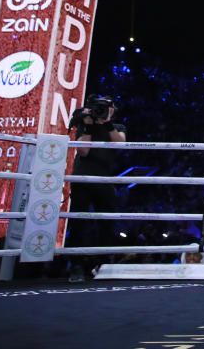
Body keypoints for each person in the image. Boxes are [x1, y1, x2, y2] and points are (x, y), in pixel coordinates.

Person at [67, 95, 127, 282]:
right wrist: (90, 125)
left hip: (104, 178)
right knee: (78, 222)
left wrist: (106, 122)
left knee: (107, 222)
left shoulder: (117, 127)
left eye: (107, 107)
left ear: (113, 110)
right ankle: (76, 265)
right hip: (83, 178)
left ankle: (102, 263)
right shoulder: (84, 124)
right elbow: (83, 150)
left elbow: (121, 144)